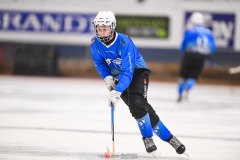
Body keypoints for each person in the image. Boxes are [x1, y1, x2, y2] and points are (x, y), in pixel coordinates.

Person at [90, 11, 186, 154]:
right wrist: (108, 78)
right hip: (118, 77)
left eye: (105, 28)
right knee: (142, 108)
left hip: (138, 72)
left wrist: (117, 91)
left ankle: (147, 138)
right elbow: (100, 63)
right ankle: (171, 139)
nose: (102, 32)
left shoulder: (124, 42)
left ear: (112, 27)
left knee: (137, 103)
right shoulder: (94, 43)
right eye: (99, 28)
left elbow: (128, 71)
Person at [177, 12, 216, 102]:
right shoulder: (209, 32)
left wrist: (184, 53)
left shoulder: (189, 31)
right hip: (201, 57)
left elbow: (183, 45)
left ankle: (180, 93)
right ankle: (188, 88)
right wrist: (207, 57)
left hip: (189, 55)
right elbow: (212, 48)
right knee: (193, 77)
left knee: (182, 76)